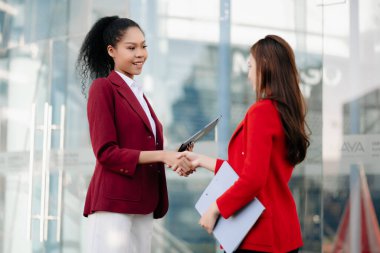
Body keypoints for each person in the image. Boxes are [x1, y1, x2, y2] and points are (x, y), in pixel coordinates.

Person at [178, 35, 310, 253]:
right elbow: (247, 171)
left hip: (259, 234)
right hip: (283, 232)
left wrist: (215, 208)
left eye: (250, 66)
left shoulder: (262, 111)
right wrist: (200, 160)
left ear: (265, 67)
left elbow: (252, 179)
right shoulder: (286, 113)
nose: (248, 75)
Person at [76, 16, 193, 253]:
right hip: (115, 204)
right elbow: (106, 153)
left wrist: (174, 157)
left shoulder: (139, 94)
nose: (140, 53)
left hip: (143, 203)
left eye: (143, 46)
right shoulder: (103, 88)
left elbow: (145, 148)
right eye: (131, 48)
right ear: (111, 51)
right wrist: (163, 155)